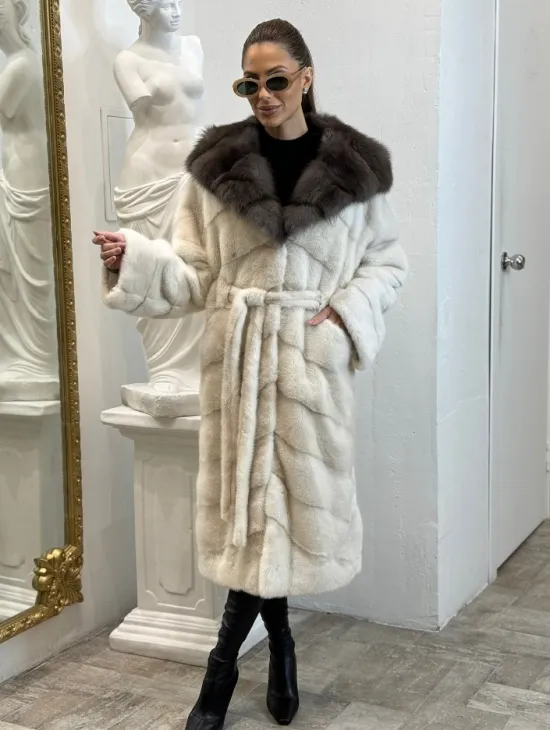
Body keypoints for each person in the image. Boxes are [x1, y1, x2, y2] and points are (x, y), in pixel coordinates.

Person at [95, 18, 407, 730]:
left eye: (276, 80)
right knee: (254, 525)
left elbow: (387, 264)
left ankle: (226, 671)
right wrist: (135, 261)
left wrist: (343, 318)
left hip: (307, 372)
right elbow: (192, 275)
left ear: (305, 77)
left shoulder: (354, 172)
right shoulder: (215, 171)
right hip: (237, 368)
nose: (263, 95)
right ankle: (268, 651)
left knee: (275, 522)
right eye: (249, 84)